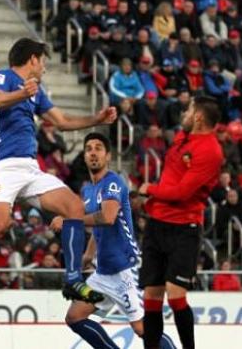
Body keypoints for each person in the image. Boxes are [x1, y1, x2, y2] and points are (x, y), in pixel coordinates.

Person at [0, 38, 117, 327]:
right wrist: (21, 94)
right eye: (42, 61)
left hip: (29, 167)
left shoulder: (35, 91)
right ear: (31, 59)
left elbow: (62, 121)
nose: (44, 67)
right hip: (1, 166)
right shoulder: (2, 77)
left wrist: (97, 119)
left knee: (74, 207)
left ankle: (73, 280)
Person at [53, 133, 175, 349]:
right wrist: (88, 255)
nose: (93, 152)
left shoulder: (113, 182)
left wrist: (70, 221)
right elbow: (98, 225)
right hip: (104, 272)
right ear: (84, 155)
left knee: (142, 329)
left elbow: (107, 218)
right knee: (75, 317)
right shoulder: (87, 189)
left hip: (126, 266)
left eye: (98, 148)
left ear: (107, 156)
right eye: (89, 148)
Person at [138, 96, 223, 349]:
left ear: (198, 117)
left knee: (176, 296)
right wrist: (152, 203)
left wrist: (149, 189)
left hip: (183, 228)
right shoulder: (182, 138)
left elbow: (182, 192)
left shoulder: (210, 150)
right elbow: (171, 178)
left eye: (188, 110)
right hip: (157, 224)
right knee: (151, 296)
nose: (183, 113)